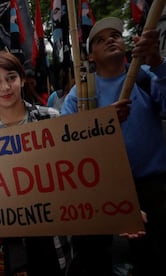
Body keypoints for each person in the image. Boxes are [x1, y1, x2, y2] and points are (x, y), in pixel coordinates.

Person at [61, 17, 166, 276]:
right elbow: (67, 141)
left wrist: (158, 63)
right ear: (91, 55)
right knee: (97, 258)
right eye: (100, 39)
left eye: (115, 35)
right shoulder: (81, 94)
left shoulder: (145, 77)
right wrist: (103, 122)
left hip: (153, 186)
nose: (110, 39)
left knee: (156, 255)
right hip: (104, 189)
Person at [0, 50, 61, 276]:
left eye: (11, 78)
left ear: (21, 79)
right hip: (5, 233)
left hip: (49, 227)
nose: (5, 87)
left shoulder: (50, 118)